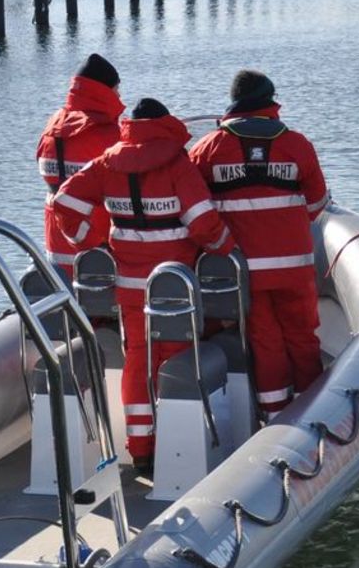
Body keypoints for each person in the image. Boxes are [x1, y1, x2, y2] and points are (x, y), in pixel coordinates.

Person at [51, 97, 234, 471]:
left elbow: (64, 202)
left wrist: (89, 241)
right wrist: (225, 247)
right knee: (179, 355)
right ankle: (181, 446)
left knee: (139, 357)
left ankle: (141, 448)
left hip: (130, 284)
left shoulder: (107, 161)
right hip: (174, 283)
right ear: (164, 123)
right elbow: (202, 223)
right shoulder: (177, 163)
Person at [187, 69, 331, 420]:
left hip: (245, 271)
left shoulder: (208, 148)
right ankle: (314, 414)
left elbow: (194, 206)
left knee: (265, 343)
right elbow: (317, 205)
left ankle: (275, 418)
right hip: (294, 267)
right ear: (270, 100)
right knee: (303, 338)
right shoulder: (297, 144)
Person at [36, 53, 124, 285]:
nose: (120, 96)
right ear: (105, 91)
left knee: (66, 312)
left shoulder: (51, 128)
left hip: (56, 248)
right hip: (98, 250)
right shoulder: (109, 135)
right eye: (117, 90)